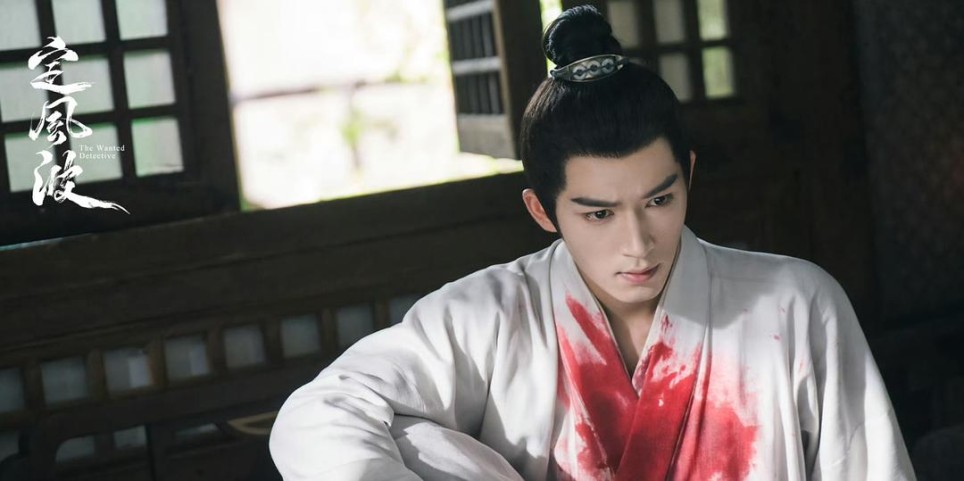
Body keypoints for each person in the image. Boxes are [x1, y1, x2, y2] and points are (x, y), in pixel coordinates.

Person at [268, 6, 916, 480]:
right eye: (599, 213)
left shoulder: (795, 303)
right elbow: (321, 411)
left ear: (688, 176)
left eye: (659, 200)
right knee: (411, 441)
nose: (638, 243)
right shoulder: (492, 315)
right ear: (543, 211)